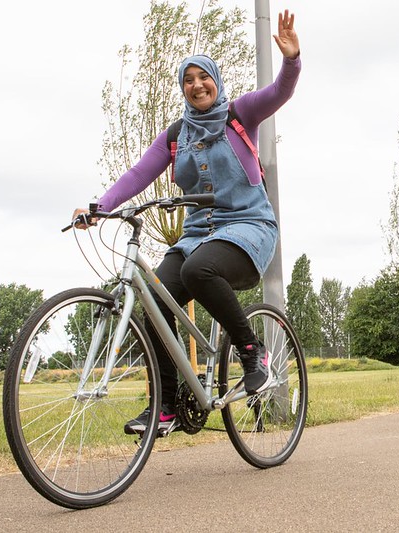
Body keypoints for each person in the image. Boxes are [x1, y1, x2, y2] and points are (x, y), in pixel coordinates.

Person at [72, 10, 301, 435]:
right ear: (183, 88)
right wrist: (99, 206)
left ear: (215, 80)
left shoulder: (240, 114)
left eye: (203, 77)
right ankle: (170, 403)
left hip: (248, 227)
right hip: (197, 235)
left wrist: (291, 60)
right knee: (154, 298)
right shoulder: (177, 134)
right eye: (188, 80)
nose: (197, 85)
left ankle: (252, 353)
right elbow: (139, 173)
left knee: (199, 271)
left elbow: (278, 93)